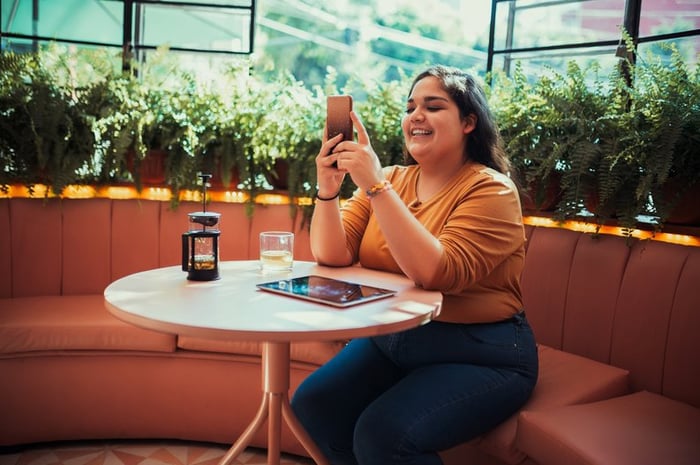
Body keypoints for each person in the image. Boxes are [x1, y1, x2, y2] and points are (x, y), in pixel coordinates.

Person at [290, 65, 539, 465]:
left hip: (480, 350)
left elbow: (437, 273)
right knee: (315, 403)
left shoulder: (490, 189)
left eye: (433, 106)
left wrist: (375, 187)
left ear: (469, 122)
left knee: (383, 435)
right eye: (410, 107)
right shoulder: (393, 179)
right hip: (394, 340)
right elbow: (332, 255)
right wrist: (328, 190)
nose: (416, 115)